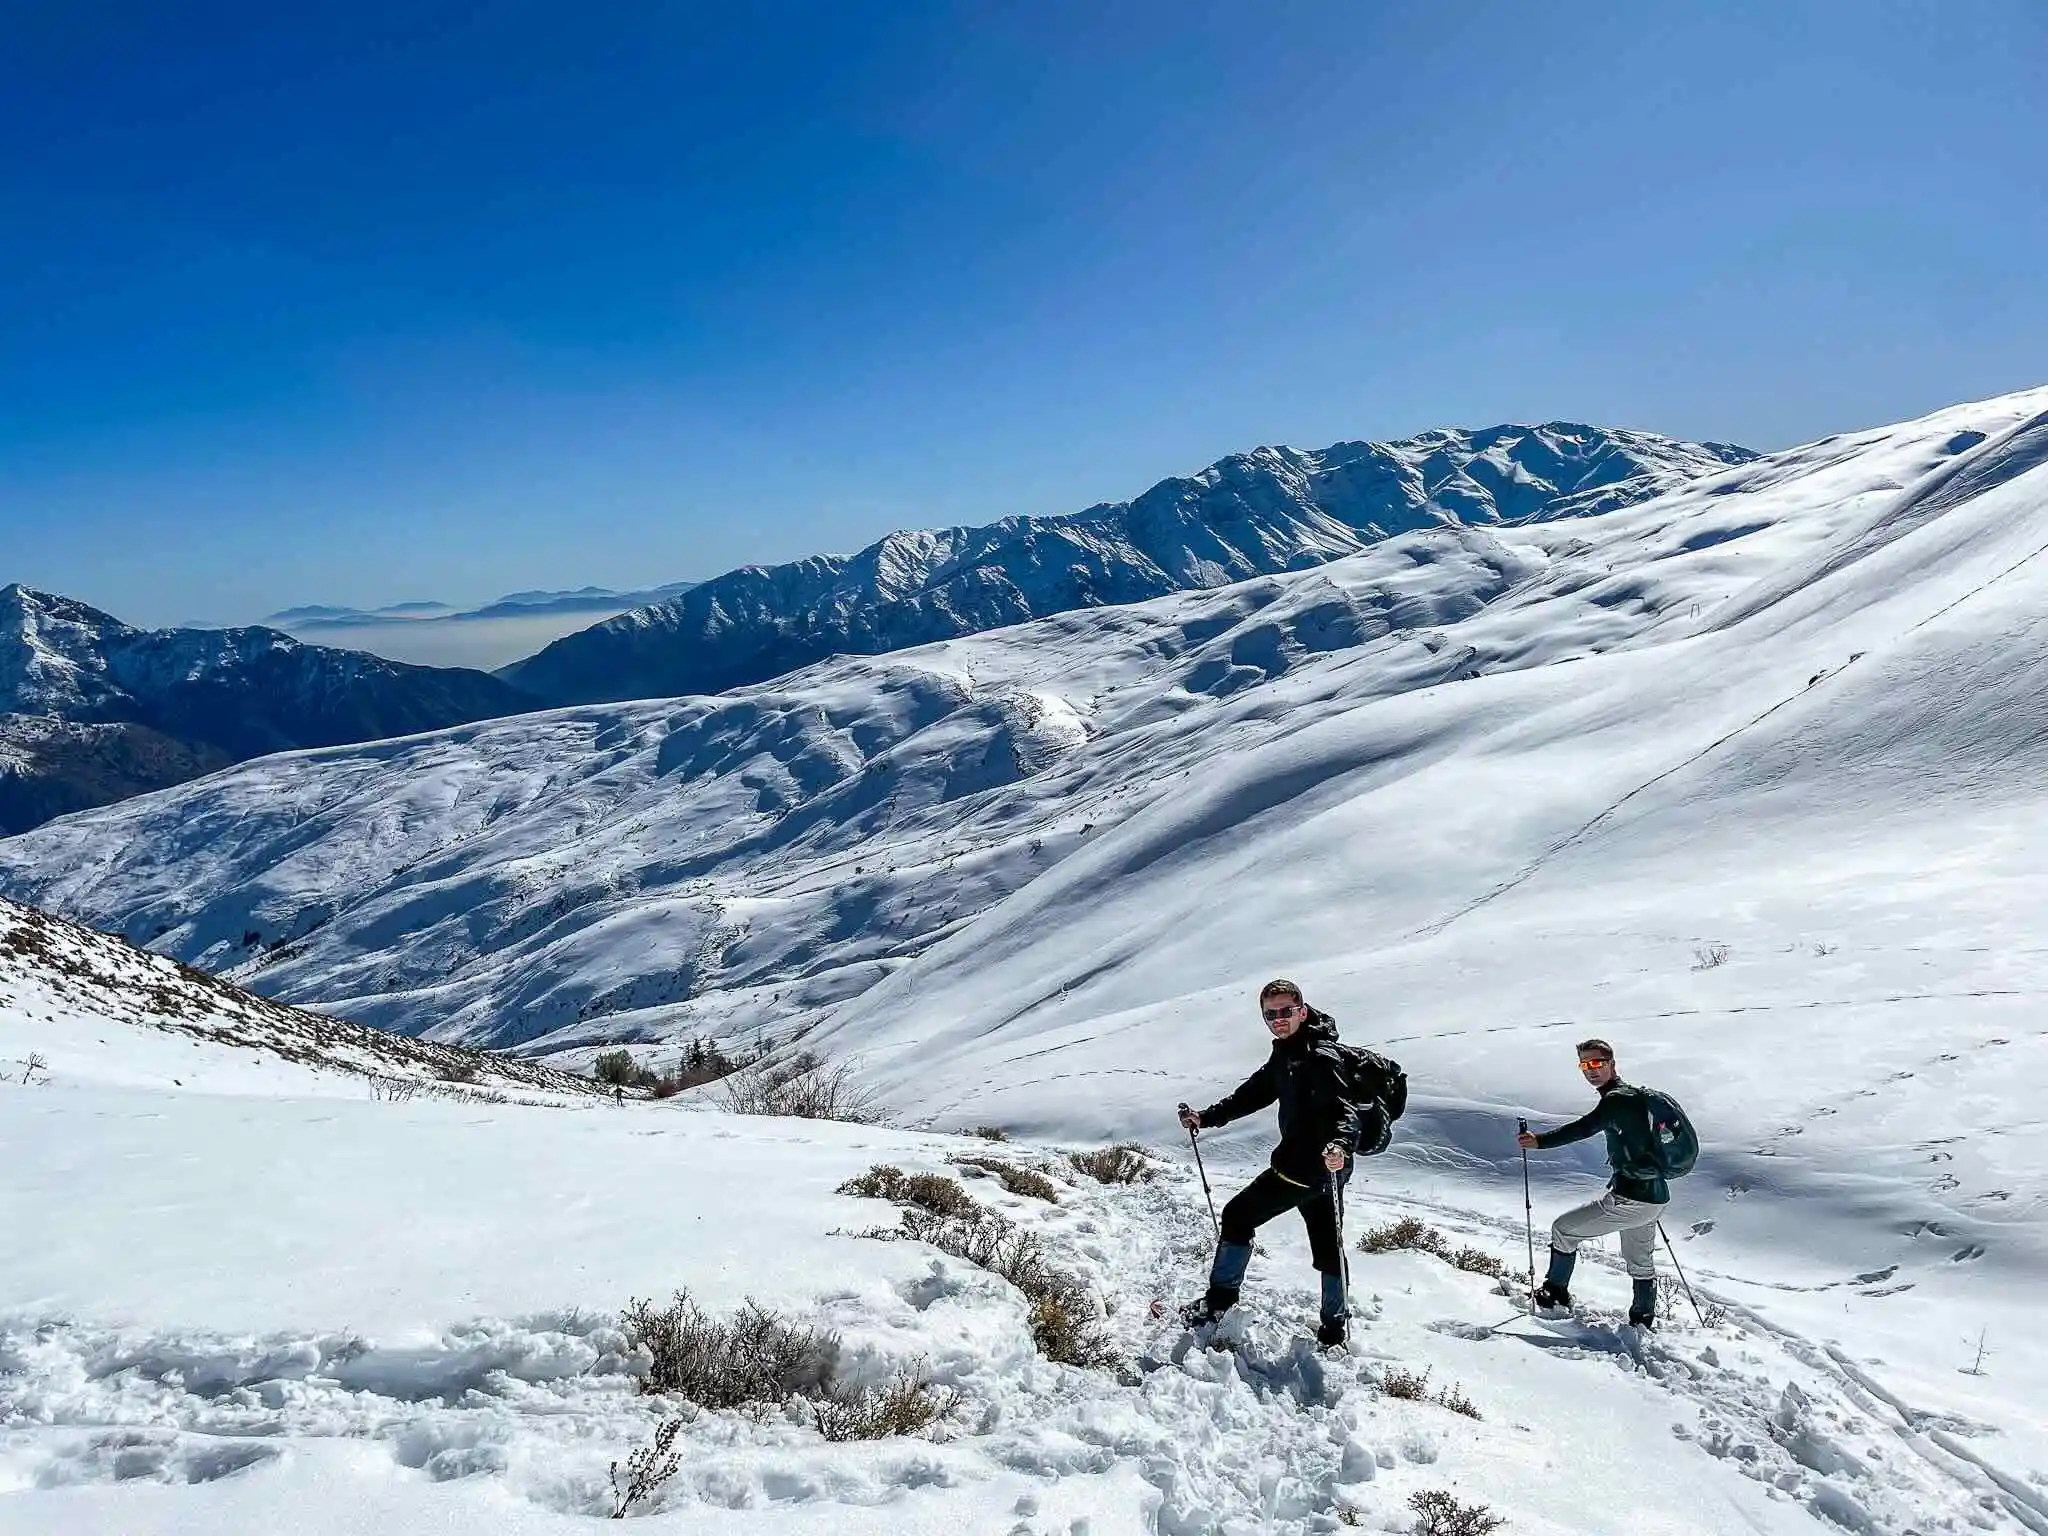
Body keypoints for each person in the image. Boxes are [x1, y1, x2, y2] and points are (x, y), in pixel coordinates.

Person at [1177, 979, 1399, 1348]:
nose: (1278, 1019)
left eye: (1285, 1011)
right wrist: (1207, 1116)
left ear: (1303, 1011)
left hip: (1306, 1167)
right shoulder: (1287, 1054)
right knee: (1329, 1244)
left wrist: (1342, 1144)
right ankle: (1333, 1330)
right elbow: (1253, 1093)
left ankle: (1218, 1305)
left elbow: (1345, 1112)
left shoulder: (1319, 1058)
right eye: (1270, 1014)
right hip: (1328, 1169)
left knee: (1237, 1216)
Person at [1516, 1038, 1669, 1328]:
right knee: (1639, 1260)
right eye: (1584, 1064)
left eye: (1597, 1063)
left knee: (1563, 1230)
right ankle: (1642, 1319)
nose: (1591, 1070)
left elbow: (1584, 1127)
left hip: (1632, 1197)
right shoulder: (1632, 1096)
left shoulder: (1616, 1100)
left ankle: (1555, 1294)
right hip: (1655, 1196)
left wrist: (1540, 1142)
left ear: (1612, 1064)